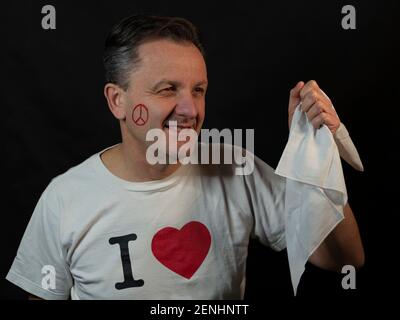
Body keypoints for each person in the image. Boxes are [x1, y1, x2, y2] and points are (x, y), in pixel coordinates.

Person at [6, 14, 364, 300]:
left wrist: (314, 154)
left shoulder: (236, 169)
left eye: (199, 90)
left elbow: (342, 258)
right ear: (118, 101)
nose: (190, 109)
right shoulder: (64, 199)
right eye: (168, 90)